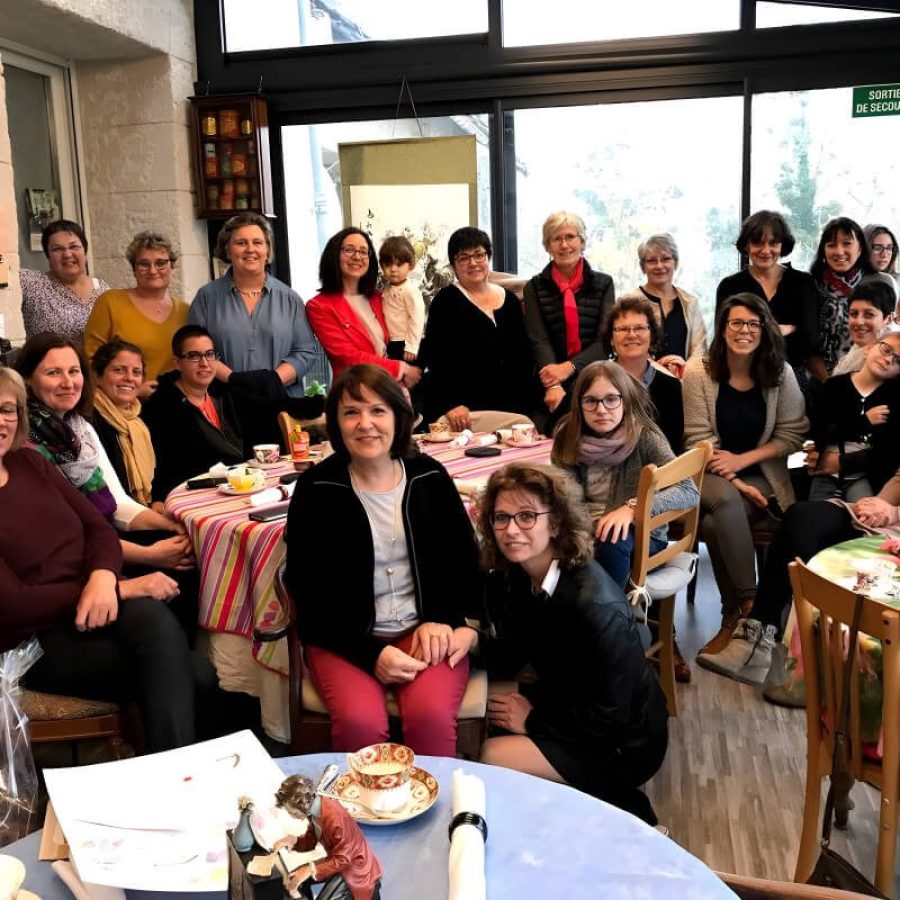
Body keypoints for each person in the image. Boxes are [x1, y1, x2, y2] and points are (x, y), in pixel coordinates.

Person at [284, 364, 482, 757]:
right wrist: (371, 654)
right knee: (360, 724)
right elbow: (307, 595)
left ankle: (436, 814)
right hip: (344, 639)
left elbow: (463, 563)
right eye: (351, 412)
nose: (365, 424)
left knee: (428, 717)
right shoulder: (316, 488)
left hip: (424, 626)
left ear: (397, 416)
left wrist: (442, 619)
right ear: (336, 423)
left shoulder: (430, 476)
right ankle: (362, 818)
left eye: (378, 410)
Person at [0, 366, 195, 752]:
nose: (1, 421)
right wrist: (120, 589)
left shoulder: (30, 463)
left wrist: (104, 578)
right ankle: (180, 777)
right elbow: (12, 604)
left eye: (7, 409)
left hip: (95, 606)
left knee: (161, 632)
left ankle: (176, 775)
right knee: (191, 670)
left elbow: (99, 528)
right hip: (33, 642)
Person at [468, 462, 668, 825]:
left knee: (493, 753)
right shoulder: (521, 573)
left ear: (556, 522)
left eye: (526, 516)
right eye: (501, 517)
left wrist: (534, 721)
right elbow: (512, 652)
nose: (511, 530)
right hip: (570, 701)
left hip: (623, 741)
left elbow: (611, 718)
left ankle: (625, 808)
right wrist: (469, 642)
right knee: (488, 702)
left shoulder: (595, 607)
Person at [703, 328, 900, 683]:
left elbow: (884, 455)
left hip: (881, 512)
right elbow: (827, 434)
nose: (888, 359)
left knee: (812, 535)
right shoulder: (840, 387)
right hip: (868, 500)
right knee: (800, 519)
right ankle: (762, 637)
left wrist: (889, 508)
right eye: (886, 349)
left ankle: (798, 664)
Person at [15, 332, 199, 636]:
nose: (68, 382)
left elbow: (117, 503)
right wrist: (152, 553)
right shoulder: (24, 444)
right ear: (27, 381)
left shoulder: (79, 427)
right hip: (71, 560)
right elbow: (68, 537)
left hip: (102, 535)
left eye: (73, 371)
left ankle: (190, 655)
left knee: (187, 549)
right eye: (53, 373)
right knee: (172, 573)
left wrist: (171, 525)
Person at [551, 360, 698, 681]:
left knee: (612, 537)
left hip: (642, 541)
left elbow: (689, 492)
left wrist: (633, 508)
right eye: (591, 400)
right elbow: (563, 498)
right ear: (579, 404)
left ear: (625, 399)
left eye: (611, 399)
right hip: (586, 534)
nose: (601, 409)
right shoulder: (568, 435)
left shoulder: (644, 436)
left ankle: (609, 635)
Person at [683, 293, 808, 660]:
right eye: (736, 322)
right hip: (706, 471)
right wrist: (735, 479)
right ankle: (753, 606)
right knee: (723, 500)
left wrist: (743, 461)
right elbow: (696, 439)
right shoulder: (697, 372)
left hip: (762, 476)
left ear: (764, 329)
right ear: (722, 329)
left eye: (753, 324)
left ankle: (730, 617)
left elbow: (792, 434)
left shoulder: (780, 373)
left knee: (711, 524)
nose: (744, 330)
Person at [189, 213, 318, 445]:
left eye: (257, 242)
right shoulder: (206, 298)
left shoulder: (290, 298)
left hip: (283, 408)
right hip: (226, 409)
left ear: (267, 251)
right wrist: (235, 381)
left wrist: (270, 382)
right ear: (227, 251)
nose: (250, 249)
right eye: (241, 243)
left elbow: (305, 352)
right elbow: (196, 351)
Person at [419, 227, 537, 430]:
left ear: (488, 257)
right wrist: (451, 404)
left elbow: (523, 355)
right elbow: (437, 359)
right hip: (466, 413)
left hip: (514, 409)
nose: (473, 263)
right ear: (454, 265)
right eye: (464, 257)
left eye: (479, 255)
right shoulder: (446, 301)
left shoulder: (510, 300)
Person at [522, 211, 615, 426]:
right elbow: (539, 339)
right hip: (548, 382)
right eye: (556, 239)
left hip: (594, 377)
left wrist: (569, 367)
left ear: (582, 241)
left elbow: (605, 341)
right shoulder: (533, 287)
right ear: (547, 246)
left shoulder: (604, 283)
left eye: (570, 237)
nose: (564, 245)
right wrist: (553, 384)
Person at [715, 211, 819, 391]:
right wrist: (783, 330)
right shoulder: (729, 286)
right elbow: (724, 339)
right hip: (741, 378)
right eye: (757, 242)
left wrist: (752, 331)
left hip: (793, 379)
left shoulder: (803, 284)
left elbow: (808, 341)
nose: (765, 250)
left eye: (773, 243)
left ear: (782, 245)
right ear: (746, 245)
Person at [307, 228, 421, 390]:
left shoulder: (379, 297)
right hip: (355, 392)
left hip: (391, 390)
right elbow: (347, 357)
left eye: (363, 251)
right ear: (334, 255)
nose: (357, 256)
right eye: (349, 250)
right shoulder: (319, 306)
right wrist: (401, 368)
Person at [142, 325, 244, 503]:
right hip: (192, 497)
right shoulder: (162, 405)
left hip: (237, 488)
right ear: (177, 363)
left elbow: (268, 406)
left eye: (209, 354)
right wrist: (158, 499)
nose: (204, 363)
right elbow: (159, 463)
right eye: (193, 356)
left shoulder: (223, 394)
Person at [83, 231, 190, 396]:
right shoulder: (110, 303)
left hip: (174, 405)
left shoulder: (185, 311)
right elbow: (91, 362)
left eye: (160, 263)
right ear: (134, 269)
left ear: (172, 267)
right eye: (144, 264)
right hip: (124, 408)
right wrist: (134, 391)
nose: (153, 270)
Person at [807, 324, 900, 502]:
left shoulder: (894, 397)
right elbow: (821, 430)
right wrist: (863, 422)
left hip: (864, 476)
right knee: (815, 513)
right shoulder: (834, 386)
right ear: (869, 348)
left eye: (898, 360)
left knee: (863, 518)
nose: (889, 359)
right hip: (825, 472)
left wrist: (844, 462)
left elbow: (889, 450)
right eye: (886, 350)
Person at [272, 774, 382, 900]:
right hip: (338, 861)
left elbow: (343, 859)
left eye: (293, 812)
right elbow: (313, 837)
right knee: (295, 877)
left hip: (355, 869)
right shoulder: (314, 811)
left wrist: (310, 869)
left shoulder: (335, 819)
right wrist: (294, 841)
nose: (292, 816)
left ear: (303, 805)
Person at [602, 296, 684, 452]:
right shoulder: (595, 381)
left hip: (657, 470)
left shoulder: (671, 387)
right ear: (611, 339)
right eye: (623, 329)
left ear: (651, 335)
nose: (632, 335)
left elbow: (673, 445)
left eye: (639, 328)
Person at [619, 232, 707, 376]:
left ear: (675, 263)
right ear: (643, 267)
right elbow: (625, 346)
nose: (659, 266)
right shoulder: (628, 301)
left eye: (666, 259)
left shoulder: (690, 302)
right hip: (639, 382)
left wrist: (683, 369)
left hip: (684, 382)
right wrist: (659, 369)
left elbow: (700, 350)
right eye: (652, 261)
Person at [20, 219, 110, 343]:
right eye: (57, 249)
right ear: (48, 256)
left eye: (74, 246)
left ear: (85, 251)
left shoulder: (102, 289)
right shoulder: (31, 283)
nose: (67, 254)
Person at [90, 340, 156, 505]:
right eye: (119, 370)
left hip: (146, 508)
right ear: (98, 376)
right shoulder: (89, 423)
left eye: (136, 372)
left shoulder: (139, 419)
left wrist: (157, 502)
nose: (129, 378)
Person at [810, 216, 875, 379]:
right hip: (823, 380)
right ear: (824, 250)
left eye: (847, 243)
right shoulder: (811, 286)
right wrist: (831, 385)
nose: (839, 251)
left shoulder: (877, 283)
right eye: (831, 245)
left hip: (870, 377)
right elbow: (807, 345)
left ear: (860, 248)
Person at [378, 235, 425, 363]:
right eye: (388, 264)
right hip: (392, 342)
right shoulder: (386, 290)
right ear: (382, 267)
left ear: (411, 265)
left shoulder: (410, 289)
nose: (393, 269)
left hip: (407, 344)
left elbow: (417, 318)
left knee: (410, 380)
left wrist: (412, 346)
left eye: (399, 264)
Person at [832, 281, 895, 376]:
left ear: (888, 319)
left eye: (869, 314)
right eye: (854, 314)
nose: (858, 321)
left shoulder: (888, 362)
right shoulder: (862, 346)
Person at [864, 223, 899, 294]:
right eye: (877, 248)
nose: (884, 255)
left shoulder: (896, 282)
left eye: (889, 248)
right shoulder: (851, 282)